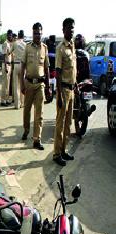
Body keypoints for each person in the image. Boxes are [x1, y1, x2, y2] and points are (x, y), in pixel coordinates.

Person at [20, 23, 51, 150]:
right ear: (32, 34)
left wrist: (48, 86)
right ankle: (26, 129)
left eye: (39, 33)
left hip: (40, 85)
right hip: (28, 83)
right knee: (26, 110)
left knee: (39, 113)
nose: (37, 35)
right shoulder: (27, 47)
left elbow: (47, 68)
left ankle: (36, 139)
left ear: (42, 33)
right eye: (35, 33)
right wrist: (22, 84)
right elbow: (22, 67)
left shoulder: (45, 48)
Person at [53, 18, 77, 166]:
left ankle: (63, 150)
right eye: (69, 28)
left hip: (72, 89)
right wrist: (59, 94)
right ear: (63, 30)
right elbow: (58, 72)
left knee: (68, 124)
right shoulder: (60, 48)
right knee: (60, 124)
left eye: (73, 28)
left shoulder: (72, 45)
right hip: (64, 90)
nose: (72, 31)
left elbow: (74, 68)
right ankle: (56, 154)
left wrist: (77, 85)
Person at [9, 30, 26, 109]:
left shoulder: (15, 43)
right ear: (23, 36)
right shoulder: (25, 44)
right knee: (23, 85)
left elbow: (9, 52)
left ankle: (17, 104)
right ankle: (23, 103)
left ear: (18, 35)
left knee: (16, 86)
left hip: (16, 65)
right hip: (23, 66)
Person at [1, 29, 14, 106]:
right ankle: (3, 101)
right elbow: (3, 55)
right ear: (7, 35)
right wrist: (6, 66)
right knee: (5, 84)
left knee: (8, 84)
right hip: (6, 64)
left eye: (11, 35)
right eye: (9, 35)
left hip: (9, 65)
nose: (10, 37)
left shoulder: (10, 44)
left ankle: (6, 99)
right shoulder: (5, 43)